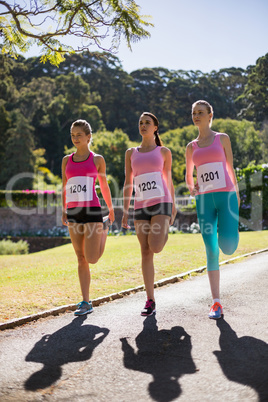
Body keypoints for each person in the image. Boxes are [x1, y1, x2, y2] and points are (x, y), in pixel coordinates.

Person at [185, 100, 240, 319]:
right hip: (204, 202)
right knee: (211, 249)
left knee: (227, 247)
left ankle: (231, 232)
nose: (196, 115)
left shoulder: (222, 139)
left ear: (210, 115)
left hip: (226, 197)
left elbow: (230, 167)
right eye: (193, 113)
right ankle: (216, 302)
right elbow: (189, 176)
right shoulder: (191, 147)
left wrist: (236, 193)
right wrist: (192, 187)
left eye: (200, 112)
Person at [122, 112, 177, 316]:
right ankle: (150, 299)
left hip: (161, 202)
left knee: (155, 246)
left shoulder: (164, 152)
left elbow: (169, 180)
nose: (143, 125)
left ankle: (164, 231)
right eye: (140, 123)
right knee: (145, 252)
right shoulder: (131, 153)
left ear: (155, 127)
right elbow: (128, 182)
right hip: (140, 206)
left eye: (147, 123)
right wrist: (125, 210)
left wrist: (174, 206)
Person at [61, 119, 114, 316]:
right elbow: (65, 186)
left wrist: (110, 208)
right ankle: (86, 301)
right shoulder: (67, 160)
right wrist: (64, 209)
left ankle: (105, 228)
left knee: (92, 258)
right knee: (80, 258)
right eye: (73, 135)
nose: (75, 138)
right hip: (73, 212)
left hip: (92, 211)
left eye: (79, 135)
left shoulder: (97, 160)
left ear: (88, 137)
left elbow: (104, 185)